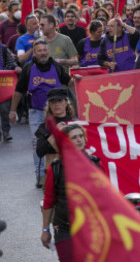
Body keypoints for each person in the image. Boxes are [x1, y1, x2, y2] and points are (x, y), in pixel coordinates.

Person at [9, 40, 76, 187]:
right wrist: (13, 111)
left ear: (49, 51)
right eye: (39, 50)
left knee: (64, 141)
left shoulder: (57, 67)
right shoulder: (28, 68)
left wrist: (82, 80)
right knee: (37, 143)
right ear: (35, 52)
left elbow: (70, 82)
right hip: (36, 113)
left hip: (57, 113)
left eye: (45, 50)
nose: (43, 53)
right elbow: (18, 91)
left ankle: (66, 173)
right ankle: (41, 176)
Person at [41, 124, 101, 261]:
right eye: (74, 137)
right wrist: (45, 230)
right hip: (64, 228)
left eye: (81, 136)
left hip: (91, 227)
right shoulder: (55, 168)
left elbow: (105, 197)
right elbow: (48, 201)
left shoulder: (96, 163)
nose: (79, 140)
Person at [35, 88, 77, 171]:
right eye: (53, 102)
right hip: (53, 172)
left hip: (74, 170)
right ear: (49, 105)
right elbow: (40, 151)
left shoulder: (75, 124)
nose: (56, 104)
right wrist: (55, 133)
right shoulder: (45, 126)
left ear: (66, 103)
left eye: (60, 101)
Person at [0, 40, 20, 142]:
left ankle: (6, 132)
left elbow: (12, 62)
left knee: (4, 109)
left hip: (4, 84)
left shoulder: (3, 49)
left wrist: (16, 67)